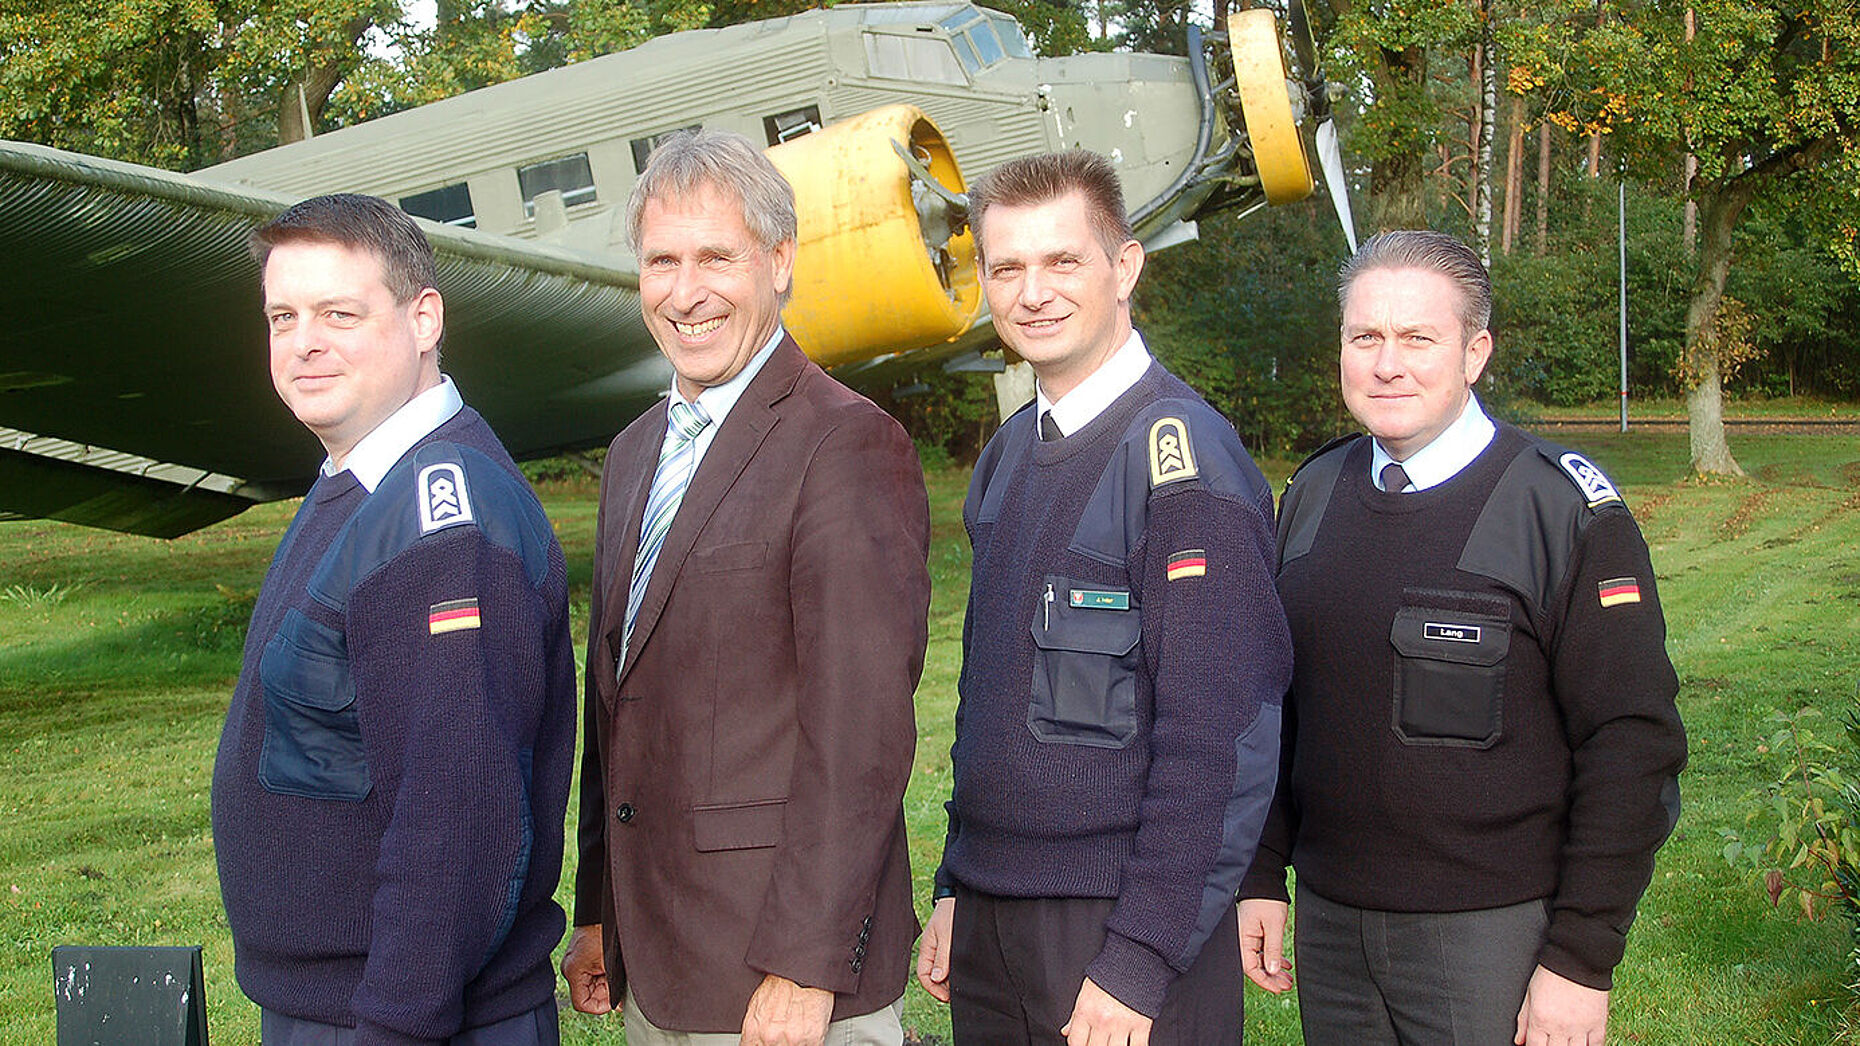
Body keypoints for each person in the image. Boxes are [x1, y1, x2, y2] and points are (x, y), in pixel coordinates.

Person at [1237, 229, 1688, 1046]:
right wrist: (1263, 873)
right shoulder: (1312, 494)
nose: (1387, 364)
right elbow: (1277, 709)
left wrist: (1582, 958)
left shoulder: (1559, 511)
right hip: (1334, 931)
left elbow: (1632, 743)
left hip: (1492, 937)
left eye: (1418, 338)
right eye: (1365, 336)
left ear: (1475, 352)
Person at [559, 128, 931, 1046]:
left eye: (716, 257)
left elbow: (861, 735)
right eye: (661, 261)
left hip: (785, 981)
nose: (686, 293)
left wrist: (805, 965)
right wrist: (599, 906)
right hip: (660, 961)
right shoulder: (633, 453)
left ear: (780, 260)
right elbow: (615, 702)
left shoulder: (845, 444)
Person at [914, 149, 1292, 1046]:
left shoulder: (1182, 462)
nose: (1032, 292)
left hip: (1122, 926)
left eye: (1063, 261)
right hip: (996, 920)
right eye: (1007, 268)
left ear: (1124, 268)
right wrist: (957, 884)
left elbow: (1221, 738)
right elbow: (991, 701)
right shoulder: (1008, 458)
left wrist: (1141, 958)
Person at [211, 193, 578, 1045]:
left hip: (404, 1017)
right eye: (283, 316)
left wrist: (396, 1026)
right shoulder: (360, 481)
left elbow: (458, 815)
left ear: (423, 318)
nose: (305, 342)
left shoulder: (439, 514)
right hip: (341, 1007)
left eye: (340, 313)